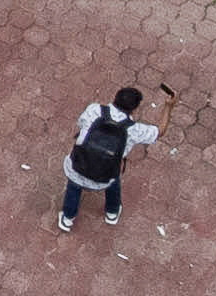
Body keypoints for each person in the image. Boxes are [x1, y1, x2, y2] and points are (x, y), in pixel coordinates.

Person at [57, 85, 166, 232]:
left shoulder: (94, 110)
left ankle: (67, 219)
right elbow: (160, 131)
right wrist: (169, 106)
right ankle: (112, 213)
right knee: (114, 180)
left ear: (115, 98)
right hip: (104, 179)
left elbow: (81, 124)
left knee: (74, 186)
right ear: (134, 109)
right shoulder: (134, 129)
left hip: (77, 168)